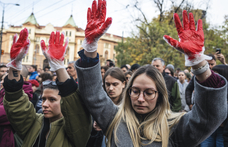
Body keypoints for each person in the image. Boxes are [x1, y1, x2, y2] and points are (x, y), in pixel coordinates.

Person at [75, 3, 227, 146]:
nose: (140, 99)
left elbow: (209, 116)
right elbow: (92, 94)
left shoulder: (175, 127)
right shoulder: (114, 119)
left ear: (160, 95)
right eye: (135, 91)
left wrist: (198, 62)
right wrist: (90, 46)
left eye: (149, 93)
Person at [3, 28, 91, 146]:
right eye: (43, 99)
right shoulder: (34, 123)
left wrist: (58, 66)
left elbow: (75, 107)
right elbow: (16, 103)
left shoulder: (77, 130)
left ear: (64, 102)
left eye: (52, 99)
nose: (44, 104)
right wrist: (15, 64)